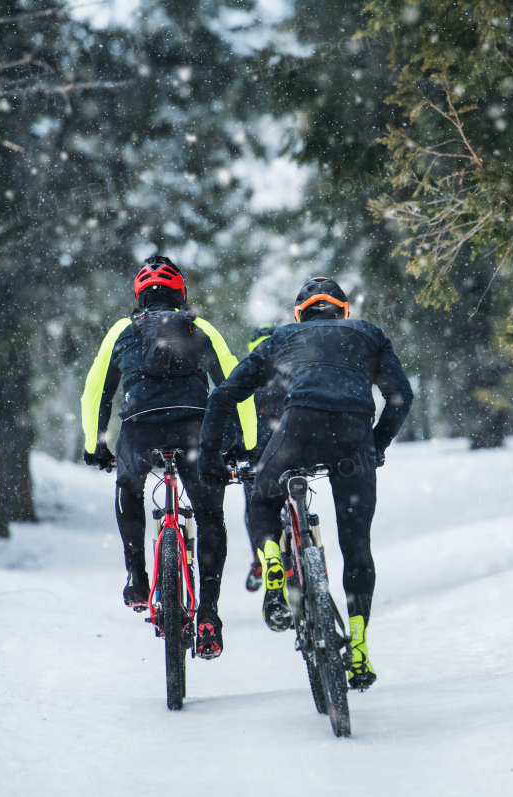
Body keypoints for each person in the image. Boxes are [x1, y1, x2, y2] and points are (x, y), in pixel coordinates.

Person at [197, 277, 412, 690]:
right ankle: (360, 644)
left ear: (301, 314)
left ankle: (273, 557)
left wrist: (209, 457)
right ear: (343, 311)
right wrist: (375, 444)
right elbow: (401, 396)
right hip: (353, 436)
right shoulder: (369, 335)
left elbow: (225, 395)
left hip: (299, 428)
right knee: (356, 544)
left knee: (262, 499)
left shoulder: (283, 337)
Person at [80, 255, 256, 660]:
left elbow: (95, 391)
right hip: (195, 433)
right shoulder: (199, 327)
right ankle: (209, 613)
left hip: (140, 433)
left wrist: (95, 446)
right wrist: (245, 444)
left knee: (129, 486)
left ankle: (137, 578)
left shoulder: (123, 330)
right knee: (210, 516)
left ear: (140, 296)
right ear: (181, 293)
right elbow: (233, 385)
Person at [242, 323, 290, 584]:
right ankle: (302, 537)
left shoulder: (249, 372)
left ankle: (260, 556)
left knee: (254, 505)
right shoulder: (291, 370)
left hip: (257, 455)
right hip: (292, 450)